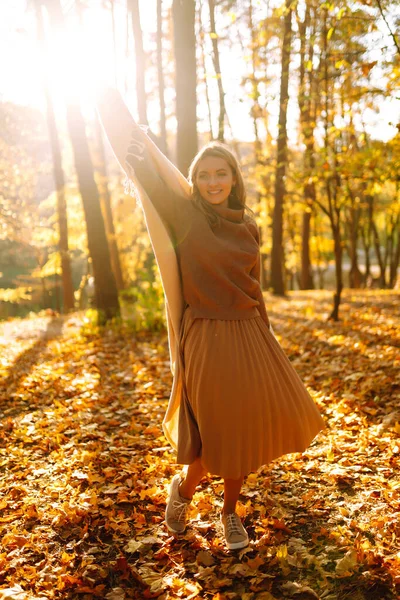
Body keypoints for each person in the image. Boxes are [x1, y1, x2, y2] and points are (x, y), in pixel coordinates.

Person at [97, 88, 325, 551]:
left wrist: (267, 336)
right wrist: (120, 121)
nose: (213, 181)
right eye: (204, 175)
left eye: (221, 173)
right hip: (204, 332)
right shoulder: (187, 215)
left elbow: (254, 286)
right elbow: (153, 182)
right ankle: (182, 491)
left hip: (249, 332)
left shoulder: (248, 225)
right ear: (196, 180)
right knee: (215, 433)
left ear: (233, 178)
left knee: (241, 428)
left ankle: (229, 514)